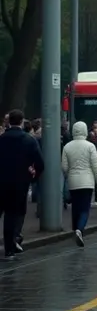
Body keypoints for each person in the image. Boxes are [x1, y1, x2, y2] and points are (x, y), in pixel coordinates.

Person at [0, 110, 43, 259]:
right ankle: (9, 249)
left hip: (1, 182)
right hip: (19, 184)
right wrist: (33, 177)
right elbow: (40, 163)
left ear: (8, 121)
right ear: (22, 121)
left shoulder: (2, 139)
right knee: (11, 217)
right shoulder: (29, 140)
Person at [62, 121, 97, 247]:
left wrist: (70, 174)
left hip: (73, 181)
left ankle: (75, 229)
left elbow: (64, 166)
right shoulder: (90, 146)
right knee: (85, 208)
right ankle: (80, 229)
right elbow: (96, 166)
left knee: (76, 207)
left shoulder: (67, 147)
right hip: (87, 181)